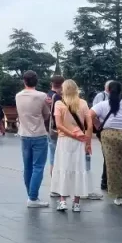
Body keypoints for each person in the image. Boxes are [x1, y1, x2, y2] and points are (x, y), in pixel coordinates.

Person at [91, 81, 122, 207]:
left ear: (108, 90)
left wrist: (98, 125)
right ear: (121, 91)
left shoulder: (102, 105)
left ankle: (119, 196)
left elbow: (89, 116)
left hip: (109, 137)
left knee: (114, 167)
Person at [49, 80, 92, 212]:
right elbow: (89, 125)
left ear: (64, 90)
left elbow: (59, 125)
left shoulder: (59, 103)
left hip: (64, 140)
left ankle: (62, 200)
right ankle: (77, 202)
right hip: (80, 140)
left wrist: (72, 135)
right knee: (78, 168)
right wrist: (87, 141)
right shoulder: (83, 103)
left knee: (64, 168)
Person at [17, 71, 52, 208]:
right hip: (39, 134)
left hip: (24, 134)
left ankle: (31, 195)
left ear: (24, 81)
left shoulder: (18, 96)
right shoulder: (41, 96)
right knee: (38, 166)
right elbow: (46, 114)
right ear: (36, 81)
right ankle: (33, 197)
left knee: (28, 167)